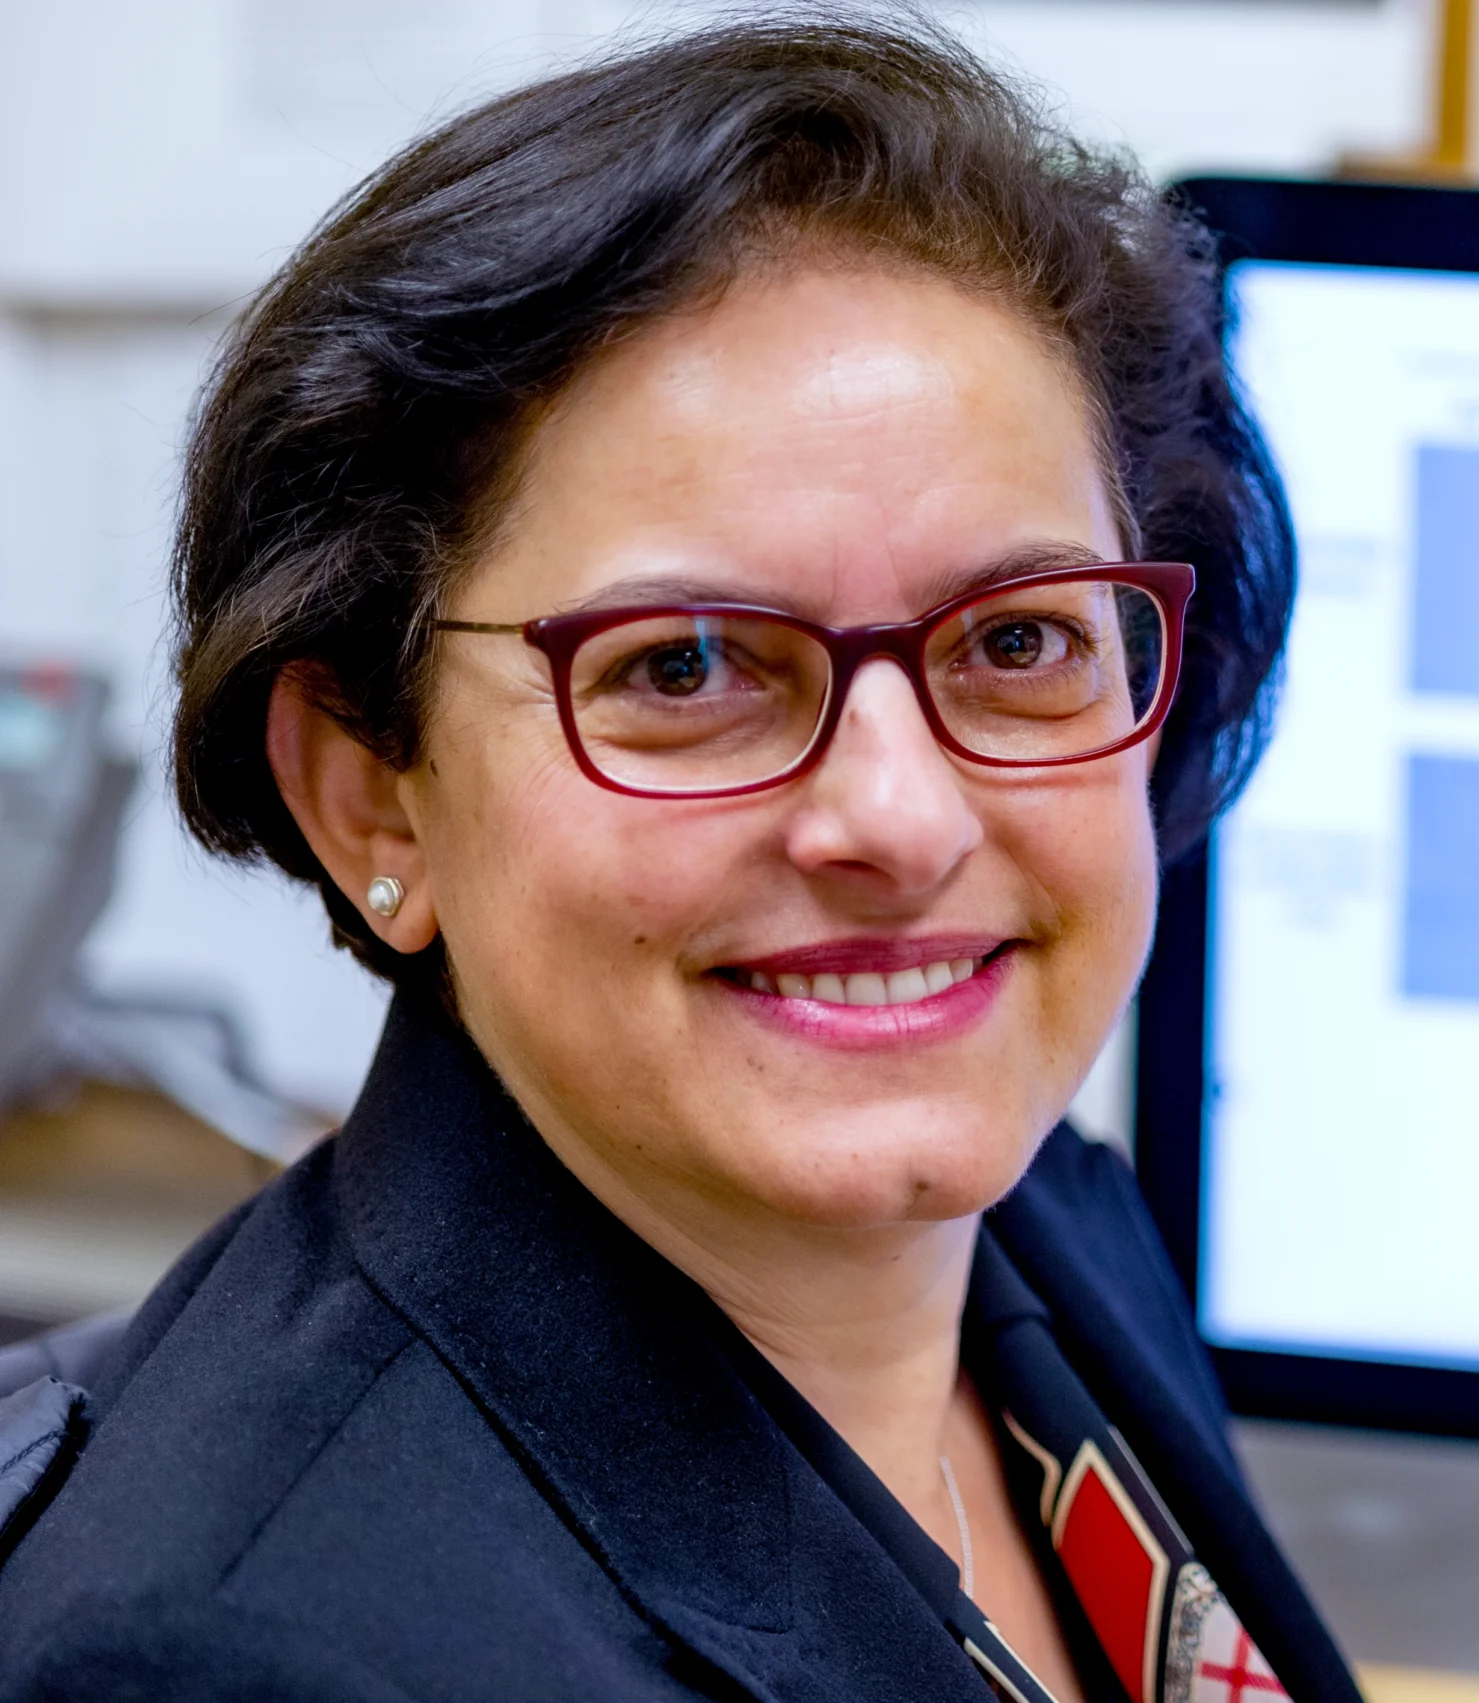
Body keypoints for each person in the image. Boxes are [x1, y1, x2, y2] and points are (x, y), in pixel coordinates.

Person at [0, 17, 1354, 1702]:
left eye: (1017, 640)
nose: (903, 818)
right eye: (689, 666)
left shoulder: (1037, 1229)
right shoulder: (241, 1661)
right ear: (373, 797)